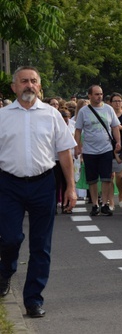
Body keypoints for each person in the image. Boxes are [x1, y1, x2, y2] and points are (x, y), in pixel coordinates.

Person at [0, 66, 77, 318]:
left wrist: (71, 188)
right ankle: (5, 271)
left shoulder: (52, 115)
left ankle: (33, 299)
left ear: (39, 86)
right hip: (8, 184)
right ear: (14, 87)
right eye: (24, 81)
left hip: (44, 184)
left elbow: (65, 152)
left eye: (33, 81)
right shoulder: (2, 116)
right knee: (10, 238)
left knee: (41, 245)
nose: (29, 85)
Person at [75, 85, 121, 217]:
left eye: (100, 94)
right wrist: (77, 146)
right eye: (96, 94)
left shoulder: (108, 109)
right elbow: (78, 130)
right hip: (89, 150)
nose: (99, 96)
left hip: (106, 149)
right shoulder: (84, 111)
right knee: (92, 180)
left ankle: (105, 204)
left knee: (107, 178)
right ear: (89, 96)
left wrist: (118, 142)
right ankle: (95, 204)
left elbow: (115, 127)